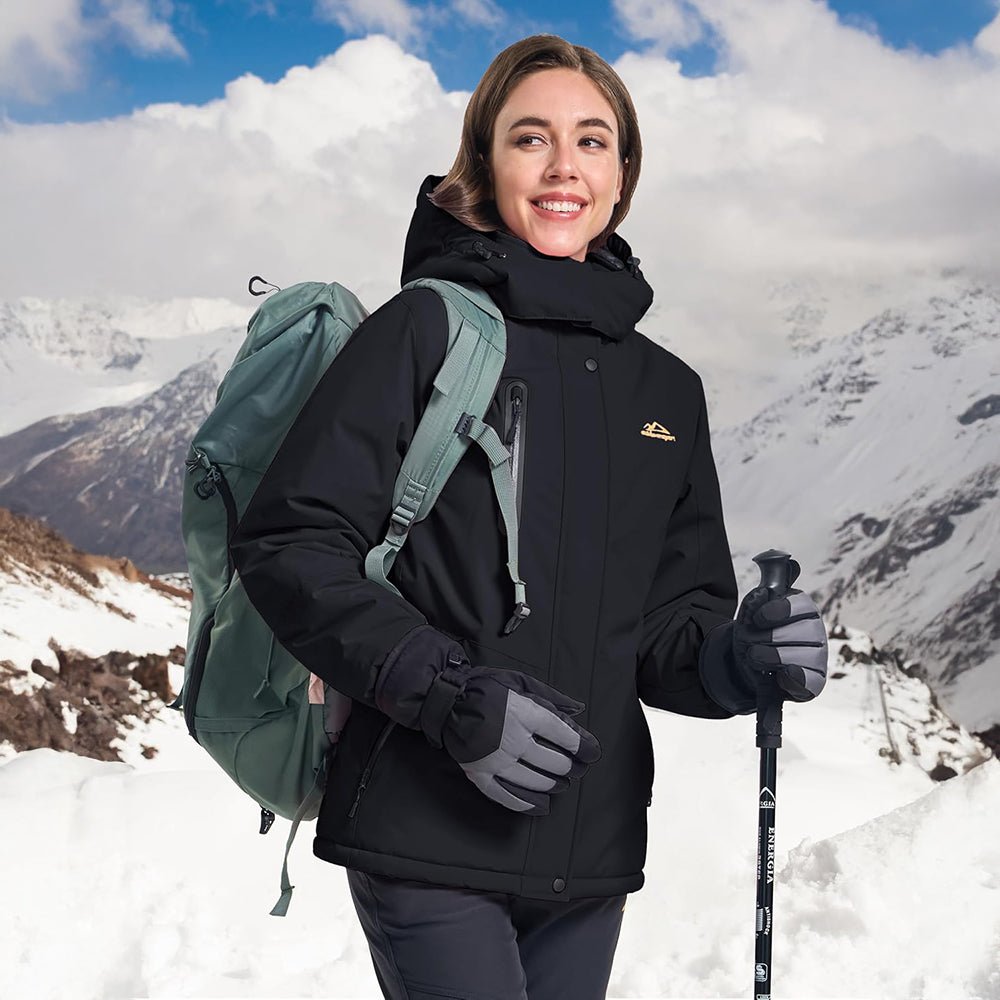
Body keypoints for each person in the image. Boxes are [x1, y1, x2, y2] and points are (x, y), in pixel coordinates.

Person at [229, 33, 829, 1000]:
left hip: (588, 852)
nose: (563, 168)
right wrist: (453, 697)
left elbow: (668, 629)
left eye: (592, 142)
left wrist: (737, 658)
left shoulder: (666, 388)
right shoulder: (423, 331)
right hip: (426, 827)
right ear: (483, 164)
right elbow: (293, 544)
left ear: (623, 175)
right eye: (530, 139)